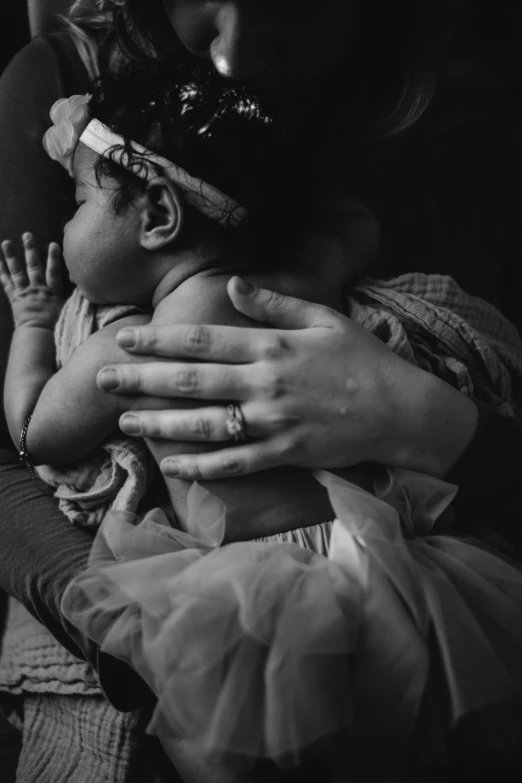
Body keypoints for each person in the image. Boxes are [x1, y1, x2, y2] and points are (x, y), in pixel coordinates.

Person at [0, 0, 521, 779]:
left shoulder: (127, 347)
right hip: (382, 559)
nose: (235, 55)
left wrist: (36, 323)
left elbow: (32, 432)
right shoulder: (286, 284)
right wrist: (313, 272)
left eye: (78, 203)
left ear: (159, 216)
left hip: (231, 597)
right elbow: (355, 225)